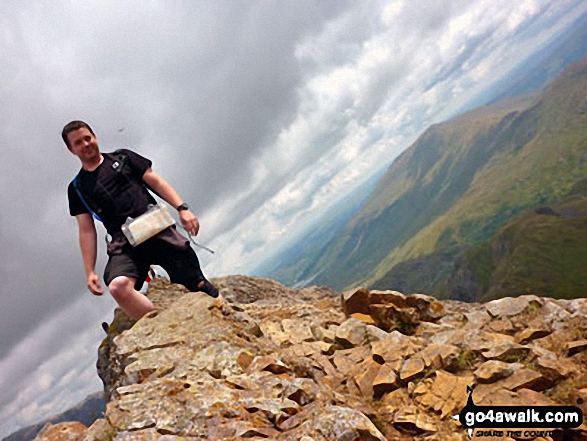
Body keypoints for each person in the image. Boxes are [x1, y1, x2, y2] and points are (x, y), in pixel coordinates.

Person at [64, 120, 218, 320]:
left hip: (157, 229)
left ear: (95, 137)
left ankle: (230, 315)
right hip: (125, 243)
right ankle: (161, 329)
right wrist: (90, 271)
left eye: (88, 138)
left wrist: (182, 208)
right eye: (78, 143)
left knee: (197, 284)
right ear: (71, 150)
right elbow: (86, 230)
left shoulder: (124, 158)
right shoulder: (77, 188)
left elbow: (155, 181)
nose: (85, 144)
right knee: (118, 287)